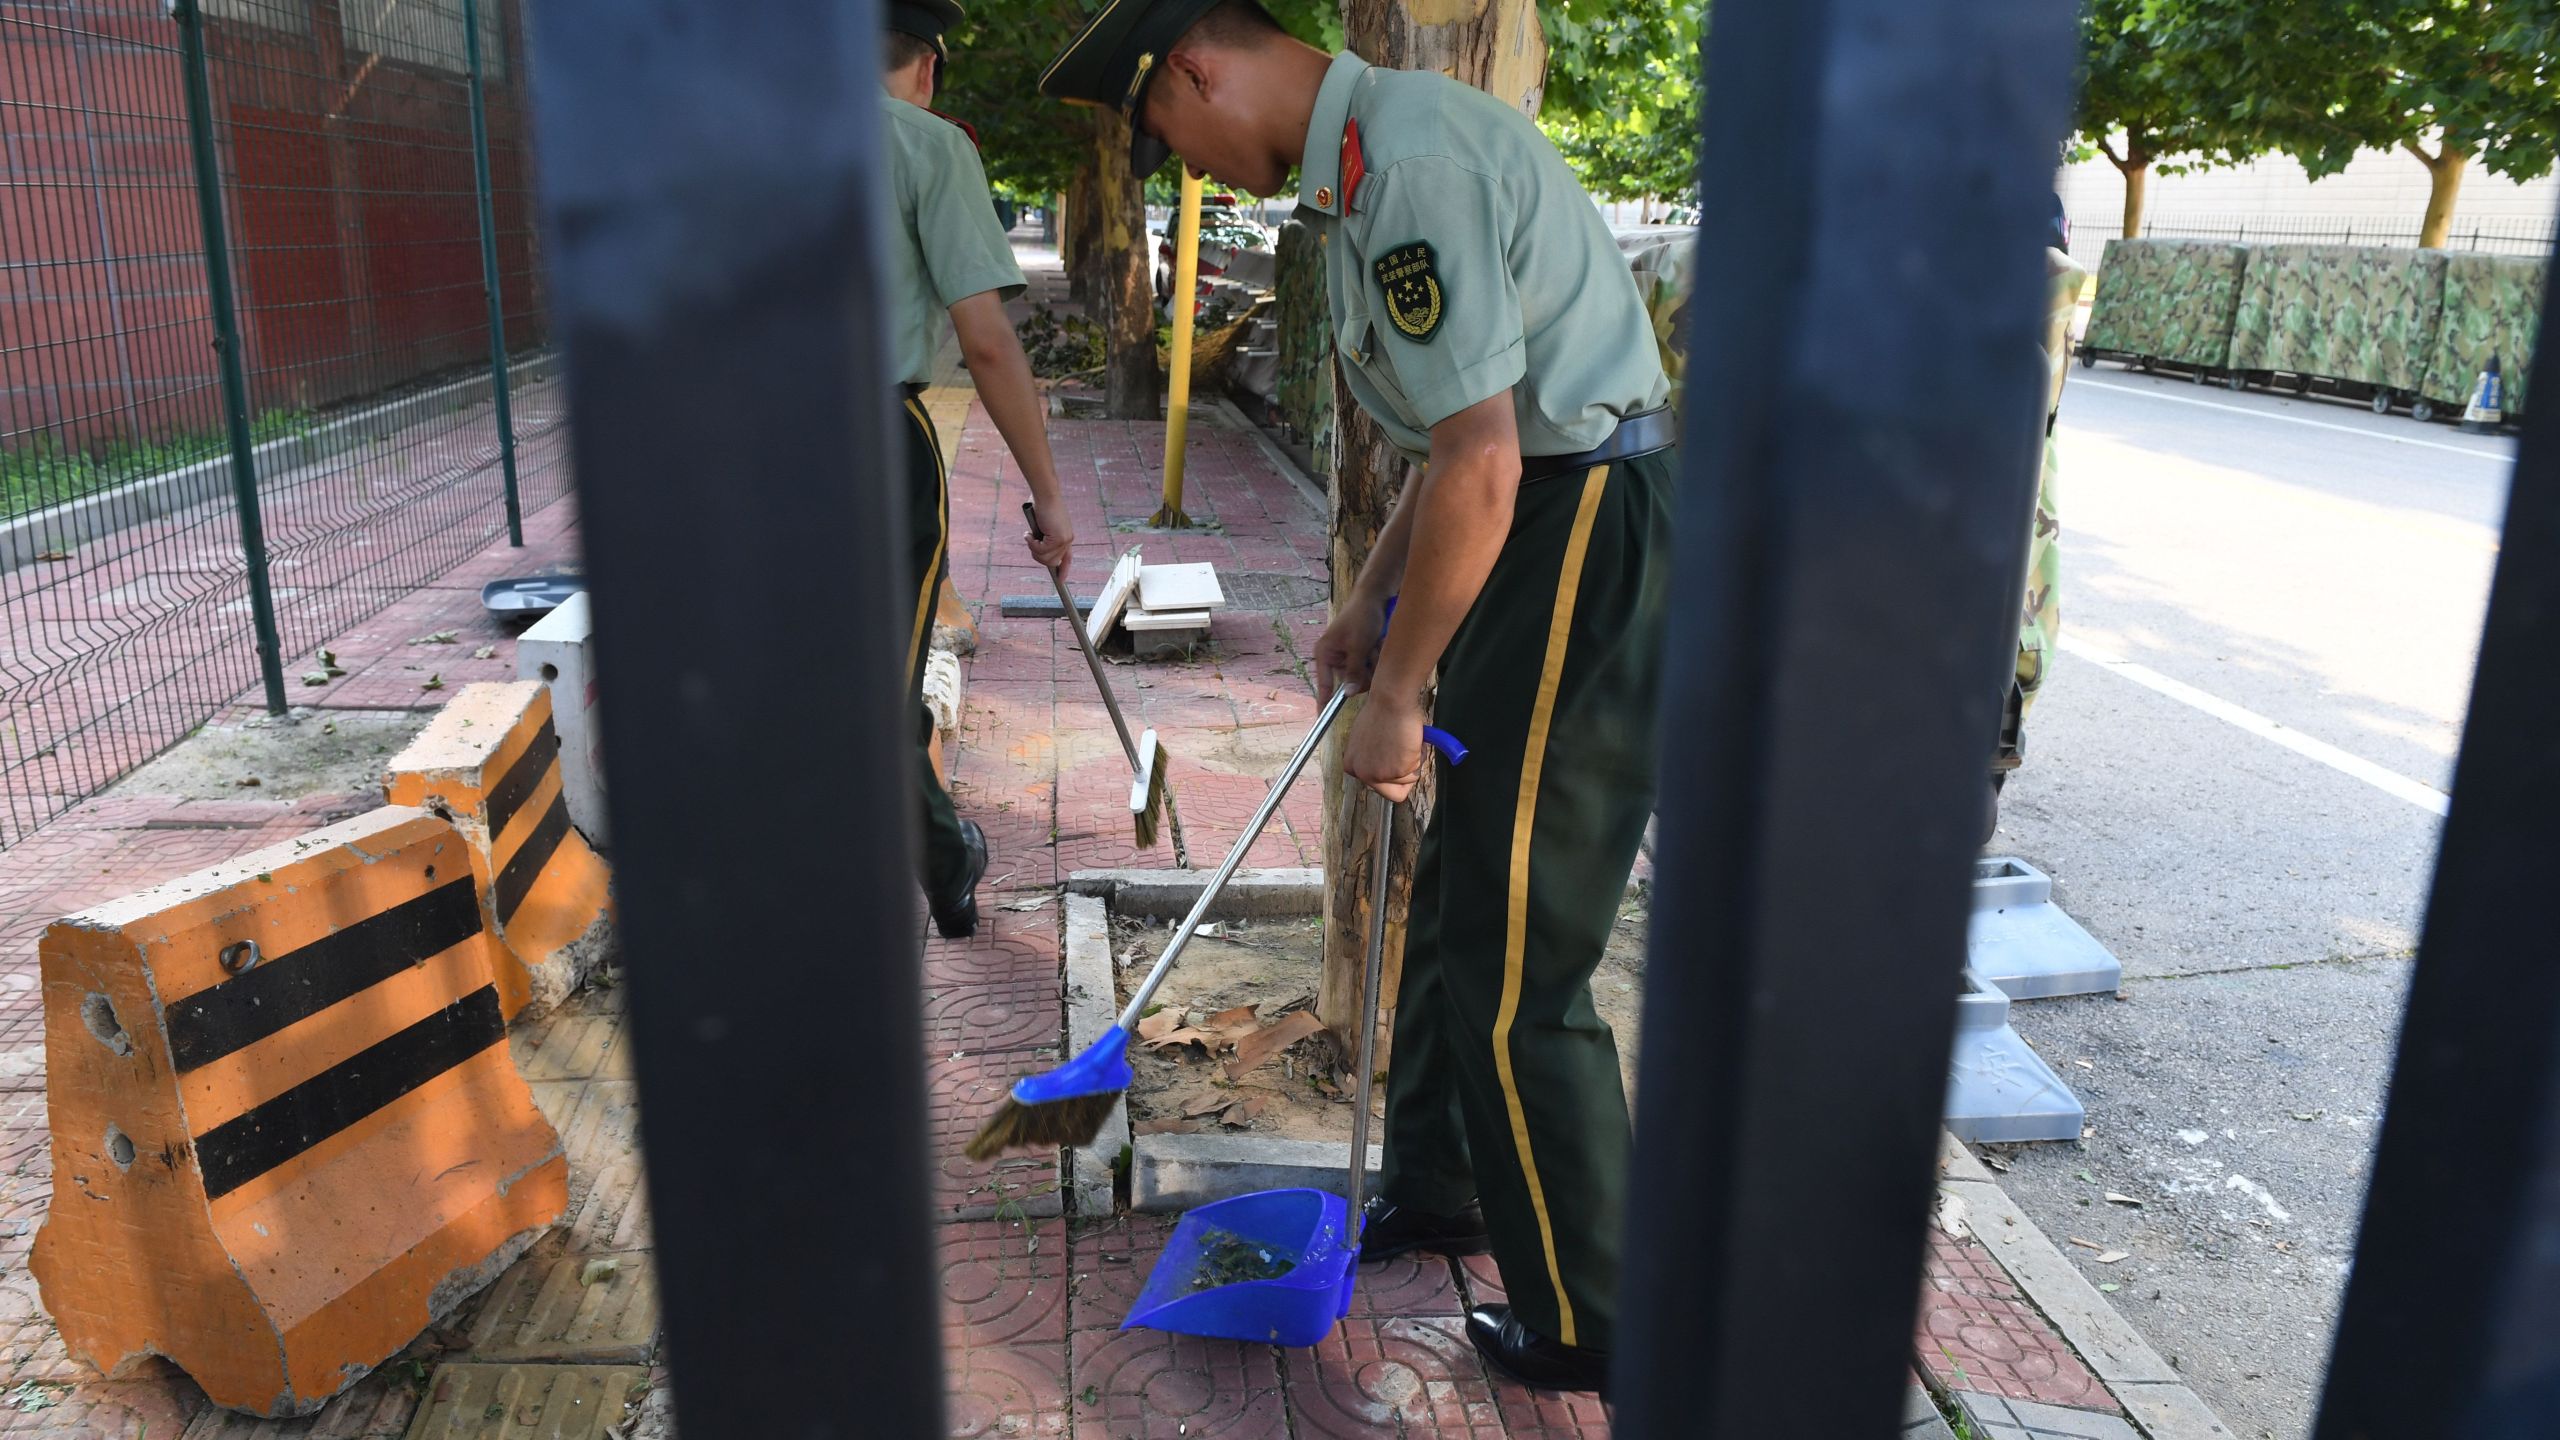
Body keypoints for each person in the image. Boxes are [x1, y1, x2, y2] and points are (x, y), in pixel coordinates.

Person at [1044, 0, 1674, 1393]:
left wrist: (1398, 693)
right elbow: (1453, 447)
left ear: (1201, 68)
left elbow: (1489, 465)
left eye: (1173, 139)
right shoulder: (1365, 179)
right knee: (1461, 894)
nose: (1195, 172)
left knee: (1522, 956)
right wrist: (1366, 607)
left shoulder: (1407, 173)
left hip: (1581, 529)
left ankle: (1599, 1315)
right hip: (1540, 520)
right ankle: (1446, 1185)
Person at [882, 0, 1078, 940]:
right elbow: (987, 342)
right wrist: (1047, 495)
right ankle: (947, 860)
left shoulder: (747, 147)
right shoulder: (926, 146)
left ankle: (940, 861)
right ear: (926, 64)